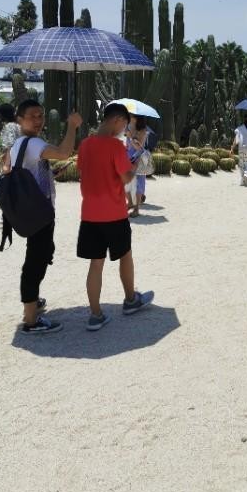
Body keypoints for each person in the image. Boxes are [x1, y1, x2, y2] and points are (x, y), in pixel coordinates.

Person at [76, 103, 154, 331]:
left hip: (90, 213)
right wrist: (136, 162)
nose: (124, 130)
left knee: (95, 264)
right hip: (114, 213)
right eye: (125, 125)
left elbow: (84, 170)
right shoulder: (115, 146)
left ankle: (95, 315)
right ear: (117, 120)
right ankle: (130, 300)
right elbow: (125, 177)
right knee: (125, 255)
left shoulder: (85, 144)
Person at [9, 99, 82, 334]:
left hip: (32, 211)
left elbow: (29, 171)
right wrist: (72, 126)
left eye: (40, 115)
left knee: (40, 254)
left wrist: (51, 172)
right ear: (19, 119)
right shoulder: (34, 143)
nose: (38, 120)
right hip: (39, 213)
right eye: (32, 116)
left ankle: (33, 301)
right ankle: (31, 319)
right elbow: (64, 152)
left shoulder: (19, 143)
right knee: (36, 261)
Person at [125, 114, 149, 217]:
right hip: (128, 157)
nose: (128, 116)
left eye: (131, 115)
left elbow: (139, 148)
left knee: (138, 184)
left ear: (136, 118)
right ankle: (130, 202)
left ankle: (136, 209)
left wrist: (130, 137)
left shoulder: (143, 131)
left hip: (138, 159)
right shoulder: (128, 127)